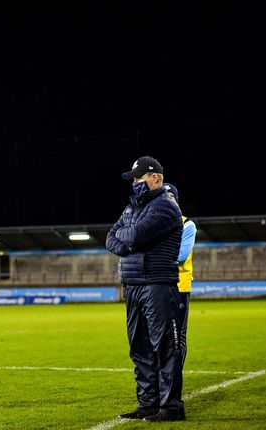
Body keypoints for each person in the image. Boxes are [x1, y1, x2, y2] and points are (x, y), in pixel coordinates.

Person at [105, 156, 185, 422]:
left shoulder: (165, 205)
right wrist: (126, 240)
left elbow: (135, 235)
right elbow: (110, 236)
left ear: (155, 178)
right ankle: (147, 404)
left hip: (157, 284)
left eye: (139, 178)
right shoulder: (133, 208)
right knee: (139, 347)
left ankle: (171, 408)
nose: (135, 183)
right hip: (134, 285)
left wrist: (126, 239)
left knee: (164, 347)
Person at [164, 183, 197, 367]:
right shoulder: (157, 224)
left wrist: (156, 255)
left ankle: (175, 380)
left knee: (178, 337)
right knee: (160, 335)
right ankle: (162, 380)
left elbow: (181, 255)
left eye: (170, 197)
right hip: (160, 284)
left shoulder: (187, 224)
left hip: (180, 286)